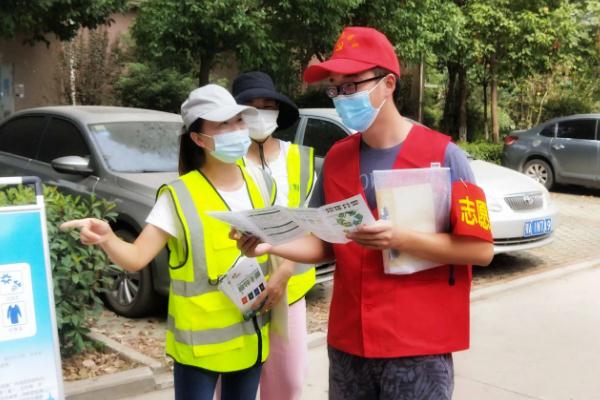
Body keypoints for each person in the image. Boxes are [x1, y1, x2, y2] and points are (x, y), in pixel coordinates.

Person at [235, 27, 495, 400]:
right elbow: (324, 244)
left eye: (353, 84)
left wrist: (401, 239)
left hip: (417, 347)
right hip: (349, 343)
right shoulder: (338, 158)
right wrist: (268, 245)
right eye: (335, 88)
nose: (342, 97)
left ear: (388, 84)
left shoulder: (444, 156)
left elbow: (480, 250)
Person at [61, 84, 292, 400]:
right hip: (199, 349)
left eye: (239, 121)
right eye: (222, 124)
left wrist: (284, 272)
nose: (236, 130)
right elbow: (136, 257)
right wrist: (108, 238)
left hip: (251, 336)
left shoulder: (262, 183)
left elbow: (285, 240)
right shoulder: (178, 196)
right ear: (198, 139)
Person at [232, 71, 315, 400]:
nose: (260, 114)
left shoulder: (301, 159)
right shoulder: (223, 161)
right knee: (234, 384)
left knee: (288, 382)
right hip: (236, 290)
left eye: (267, 107)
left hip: (289, 290)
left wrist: (283, 273)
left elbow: (308, 224)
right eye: (250, 108)